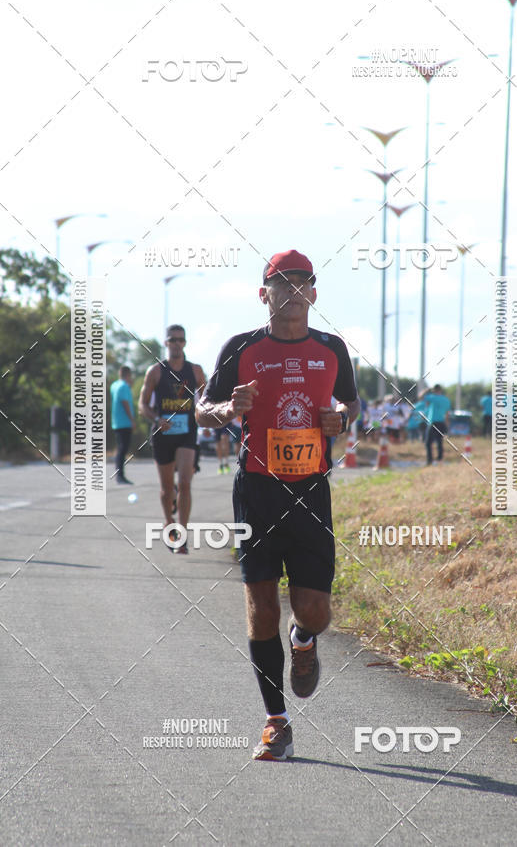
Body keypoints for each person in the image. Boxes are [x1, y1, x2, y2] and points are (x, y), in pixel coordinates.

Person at [196, 249, 360, 761]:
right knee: (260, 607)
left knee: (315, 609)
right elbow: (202, 408)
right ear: (263, 293)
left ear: (313, 293)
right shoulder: (241, 348)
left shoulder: (332, 349)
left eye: (301, 283)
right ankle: (276, 722)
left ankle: (304, 640)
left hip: (311, 492)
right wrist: (226, 407)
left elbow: (351, 402)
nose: (291, 291)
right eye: (280, 283)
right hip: (257, 491)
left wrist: (343, 419)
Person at [139, 325, 206, 554]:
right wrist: (157, 419)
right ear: (166, 343)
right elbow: (143, 405)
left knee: (185, 483)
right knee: (168, 489)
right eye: (172, 340)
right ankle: (169, 522)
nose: (176, 343)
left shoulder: (195, 371)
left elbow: (207, 400)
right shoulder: (155, 372)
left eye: (180, 340)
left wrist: (207, 420)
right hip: (163, 434)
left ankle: (182, 535)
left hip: (187, 433)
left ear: (185, 343)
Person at [110, 365, 135, 484]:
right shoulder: (124, 386)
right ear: (128, 374)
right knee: (122, 449)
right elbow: (125, 403)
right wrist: (132, 419)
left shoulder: (114, 385)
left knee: (121, 448)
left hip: (116, 421)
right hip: (124, 422)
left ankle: (119, 474)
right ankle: (120, 475)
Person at [424, 384, 451, 465]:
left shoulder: (432, 397)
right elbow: (447, 414)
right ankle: (440, 459)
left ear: (434, 390)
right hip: (442, 422)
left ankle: (429, 460)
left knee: (428, 442)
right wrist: (447, 425)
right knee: (439, 442)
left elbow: (420, 396)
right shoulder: (446, 400)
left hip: (433, 422)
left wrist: (426, 390)